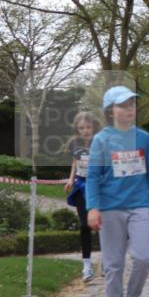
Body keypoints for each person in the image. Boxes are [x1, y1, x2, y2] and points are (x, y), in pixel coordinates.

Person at [86, 86, 149, 297]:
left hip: (139, 205)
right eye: (123, 105)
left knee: (143, 257)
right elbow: (92, 176)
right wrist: (92, 208)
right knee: (113, 264)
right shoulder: (101, 139)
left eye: (131, 105)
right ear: (111, 111)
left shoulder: (143, 138)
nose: (129, 109)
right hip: (110, 208)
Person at [64, 111, 101, 282]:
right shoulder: (74, 143)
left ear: (94, 127)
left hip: (98, 187)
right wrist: (71, 180)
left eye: (88, 127)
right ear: (77, 129)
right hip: (81, 185)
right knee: (84, 225)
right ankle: (86, 265)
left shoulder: (100, 141)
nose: (85, 131)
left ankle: (106, 261)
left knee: (101, 224)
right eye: (81, 128)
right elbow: (75, 162)